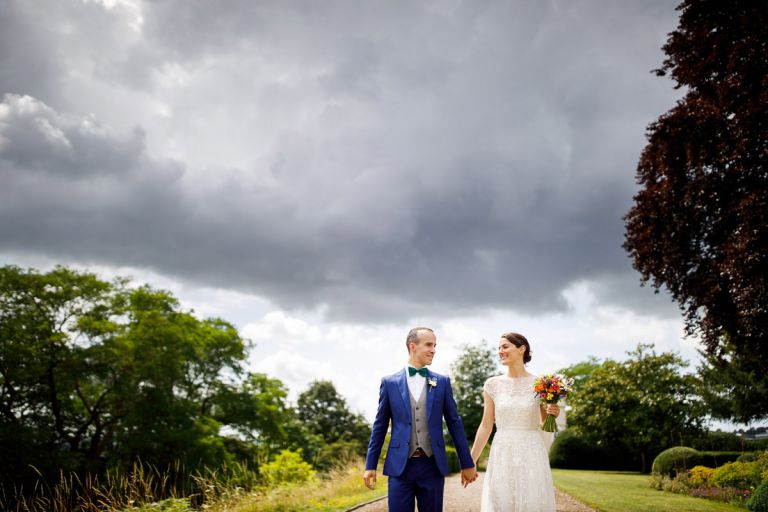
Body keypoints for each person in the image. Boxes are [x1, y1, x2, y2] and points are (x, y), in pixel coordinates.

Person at [363, 327, 478, 511]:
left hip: (432, 466)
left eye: (435, 345)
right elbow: (380, 426)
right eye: (429, 345)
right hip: (400, 467)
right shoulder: (389, 383)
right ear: (413, 346)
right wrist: (370, 465)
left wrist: (467, 463)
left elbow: (455, 424)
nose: (434, 350)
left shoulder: (442, 382)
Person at [470, 332, 559, 512]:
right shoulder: (492, 384)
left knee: (533, 500)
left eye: (505, 347)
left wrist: (552, 414)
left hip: (532, 451)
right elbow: (486, 425)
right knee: (501, 501)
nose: (500, 351)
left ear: (521, 349)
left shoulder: (541, 384)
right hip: (503, 451)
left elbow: (543, 423)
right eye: (499, 348)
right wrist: (470, 461)